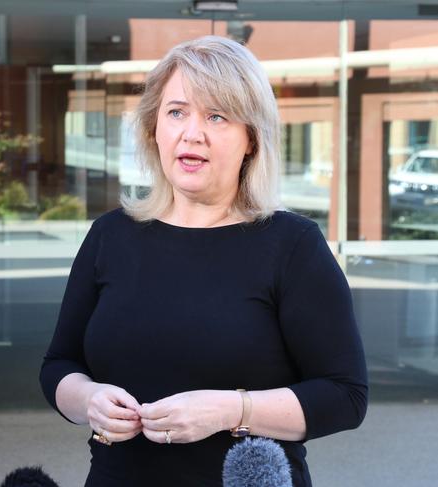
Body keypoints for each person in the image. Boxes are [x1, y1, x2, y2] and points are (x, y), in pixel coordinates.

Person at [39, 35, 368, 487]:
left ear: (251, 139)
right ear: (154, 127)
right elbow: (59, 365)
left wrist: (230, 410)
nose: (192, 132)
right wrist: (88, 399)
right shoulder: (110, 236)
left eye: (217, 115)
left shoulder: (293, 245)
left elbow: (345, 395)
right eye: (177, 112)